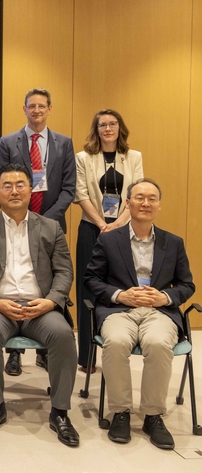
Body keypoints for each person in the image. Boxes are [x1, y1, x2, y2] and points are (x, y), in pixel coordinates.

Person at [0, 163, 79, 447]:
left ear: (30, 190)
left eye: (20, 185)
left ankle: (60, 412)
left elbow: (65, 271)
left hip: (40, 307)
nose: (14, 191)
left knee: (63, 335)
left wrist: (50, 301)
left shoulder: (51, 227)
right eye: (7, 186)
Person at [84, 179, 194, 450]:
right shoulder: (108, 240)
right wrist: (120, 295)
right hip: (119, 310)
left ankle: (153, 416)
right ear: (128, 203)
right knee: (117, 342)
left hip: (159, 312)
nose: (146, 203)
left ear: (159, 205)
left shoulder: (173, 242)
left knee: (157, 343)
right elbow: (91, 279)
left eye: (152, 198)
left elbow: (187, 284)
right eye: (140, 198)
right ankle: (121, 412)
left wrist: (164, 297)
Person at [0, 88, 76, 375]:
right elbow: (4, 181)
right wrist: (23, 215)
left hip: (50, 225)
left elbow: (69, 188)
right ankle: (14, 354)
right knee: (17, 277)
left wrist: (44, 220)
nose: (37, 110)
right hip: (15, 222)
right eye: (32, 106)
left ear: (49, 109)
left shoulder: (64, 143)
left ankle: (45, 349)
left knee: (46, 280)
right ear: (25, 109)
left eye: (42, 106)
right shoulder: (8, 141)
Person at [74, 110, 143, 374]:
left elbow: (136, 194)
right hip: (91, 228)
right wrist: (102, 223)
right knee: (87, 291)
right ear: (96, 129)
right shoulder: (83, 157)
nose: (107, 128)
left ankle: (117, 351)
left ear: (119, 127)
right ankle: (87, 357)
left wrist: (117, 223)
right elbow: (81, 194)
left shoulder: (134, 157)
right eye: (102, 124)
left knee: (120, 288)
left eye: (112, 123)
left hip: (123, 230)